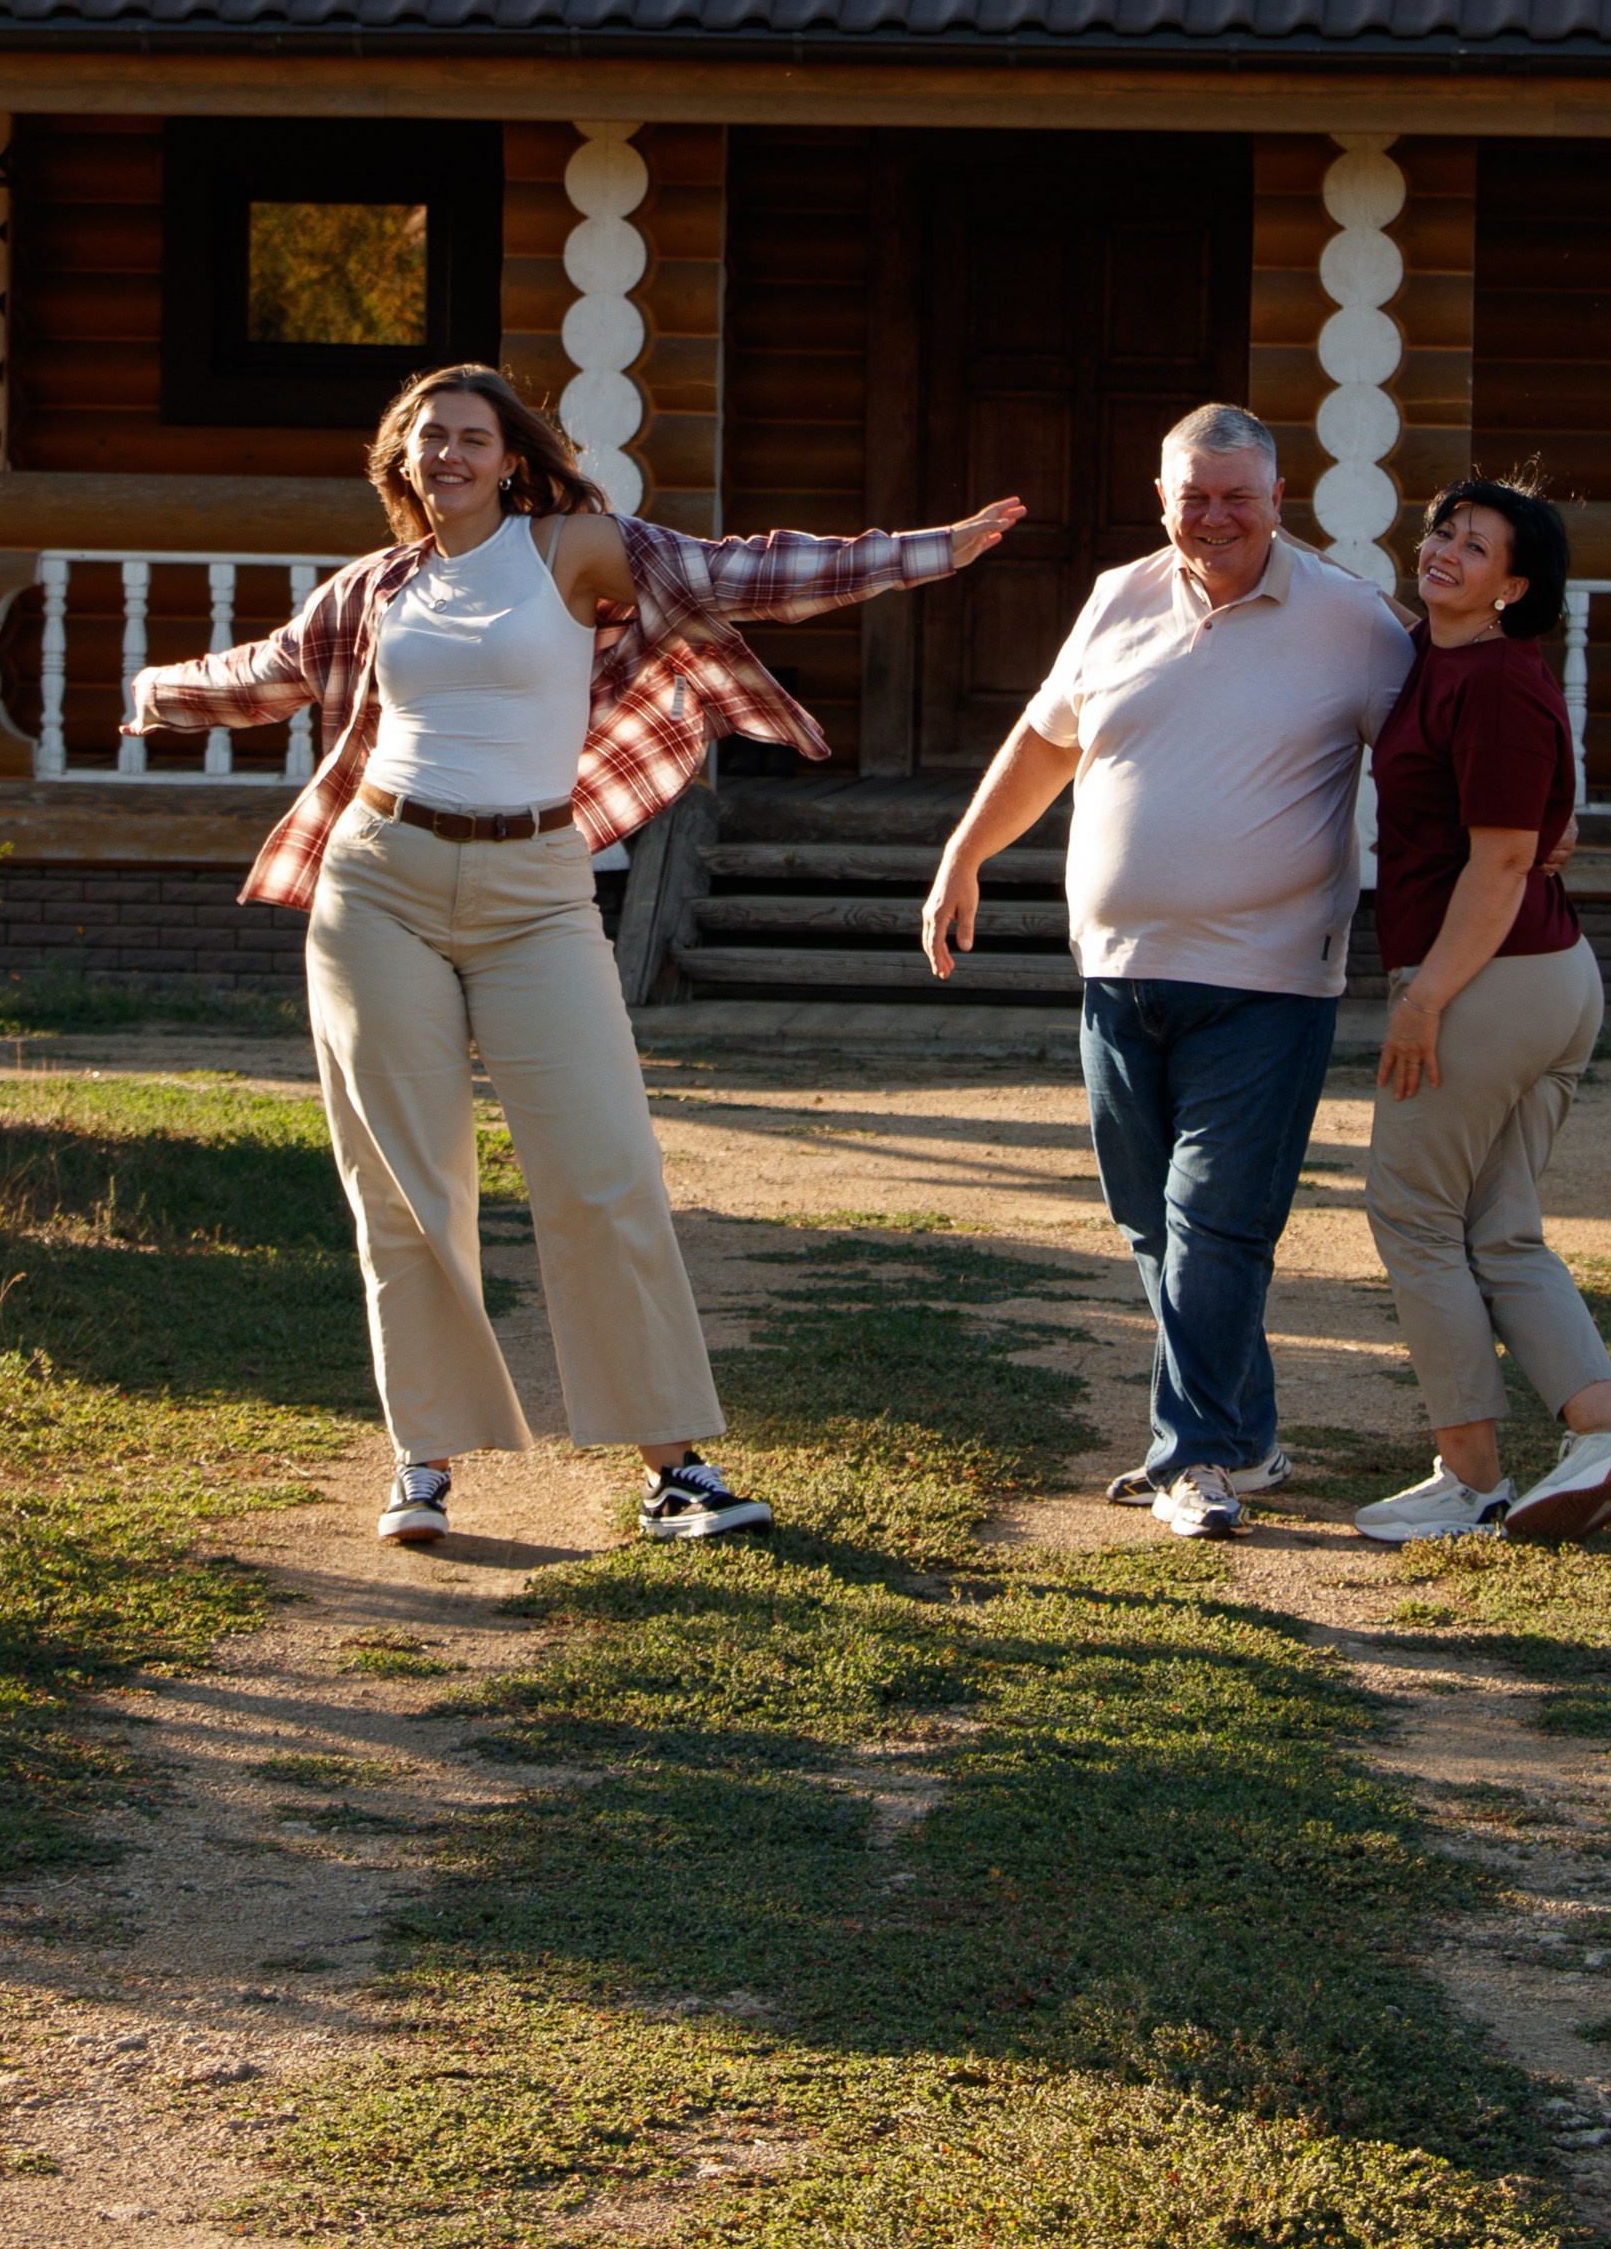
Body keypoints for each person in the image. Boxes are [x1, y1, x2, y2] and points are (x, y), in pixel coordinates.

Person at [128, 363, 1022, 1550]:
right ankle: (423, 1462)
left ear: (511, 457)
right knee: (407, 1183)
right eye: (425, 438)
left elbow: (736, 571)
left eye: (469, 437)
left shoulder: (574, 552)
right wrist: (153, 688)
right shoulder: (377, 589)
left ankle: (673, 1470)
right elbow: (268, 674)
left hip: (538, 889)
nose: (445, 454)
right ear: (401, 463)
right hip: (378, 881)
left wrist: (923, 552)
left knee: (604, 1169)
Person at [920, 403, 1412, 1542]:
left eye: (1239, 495)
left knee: (1215, 1221)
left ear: (1280, 499)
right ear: (1163, 500)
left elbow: (1434, 754)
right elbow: (1049, 739)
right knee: (1155, 1223)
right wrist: (966, 853)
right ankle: (1245, 1433)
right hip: (1119, 974)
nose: (1217, 516)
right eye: (1195, 496)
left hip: (1271, 979)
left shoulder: (1353, 621)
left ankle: (1189, 1457)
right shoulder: (1116, 596)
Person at [1356, 476, 1611, 1546]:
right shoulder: (1439, 659)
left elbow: (1499, 863)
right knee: (1500, 1229)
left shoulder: (1493, 681)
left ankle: (1471, 1476)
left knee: (1411, 1211)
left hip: (1488, 976)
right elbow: (1537, 819)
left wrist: (1426, 1000)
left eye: (1476, 544)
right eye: (1441, 531)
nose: (1444, 549)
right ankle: (1606, 1432)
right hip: (1539, 971)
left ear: (1517, 584)